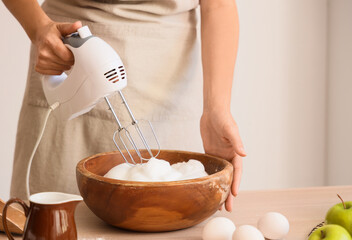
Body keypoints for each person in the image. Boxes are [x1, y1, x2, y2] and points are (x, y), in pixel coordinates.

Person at [3, 0, 246, 212]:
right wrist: (38, 28)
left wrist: (218, 109)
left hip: (166, 71)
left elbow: (219, 3)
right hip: (64, 53)